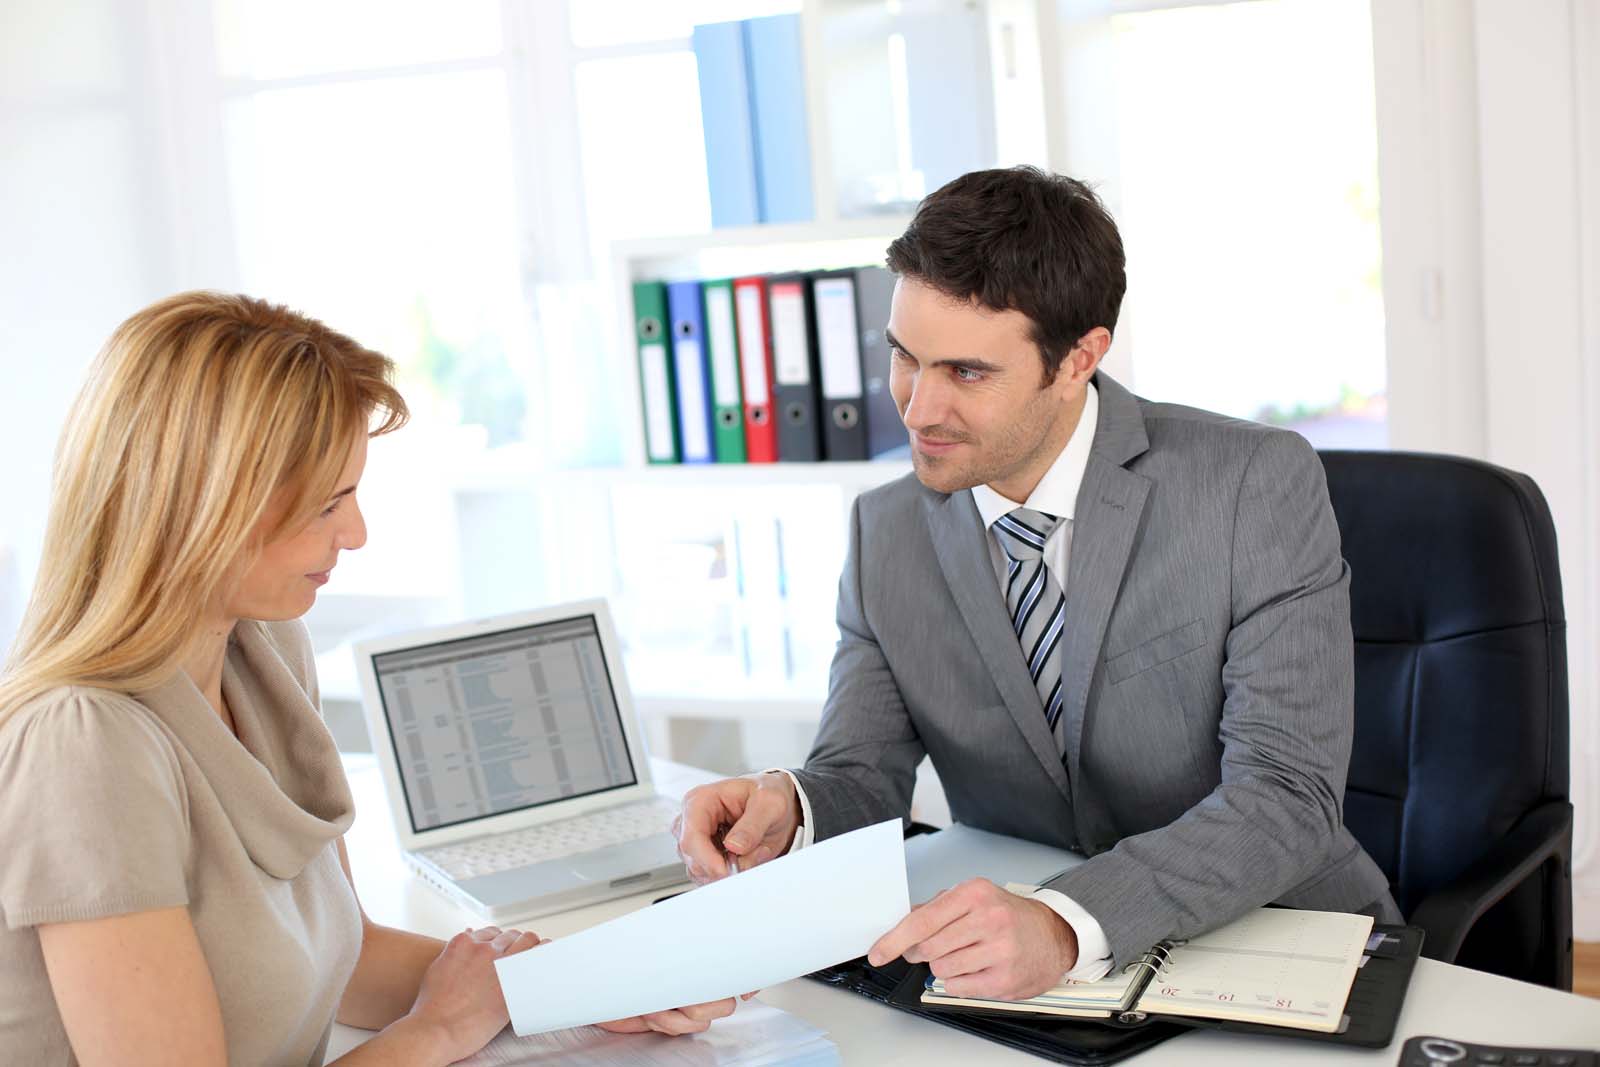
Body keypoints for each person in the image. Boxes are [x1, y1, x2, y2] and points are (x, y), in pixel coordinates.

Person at [675, 166, 1400, 1002]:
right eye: (905, 357)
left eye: (968, 373)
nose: (917, 409)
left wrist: (1066, 922)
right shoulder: (887, 531)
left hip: (1268, 941)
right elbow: (863, 771)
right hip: (1021, 970)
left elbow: (1286, 797)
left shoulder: (1250, 487)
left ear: (1080, 359)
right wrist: (788, 806)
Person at [0, 293, 734, 1066]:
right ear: (201, 510)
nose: (355, 533)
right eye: (328, 504)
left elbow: (343, 960)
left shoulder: (264, 648)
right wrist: (438, 1029)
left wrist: (579, 984)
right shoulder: (83, 746)